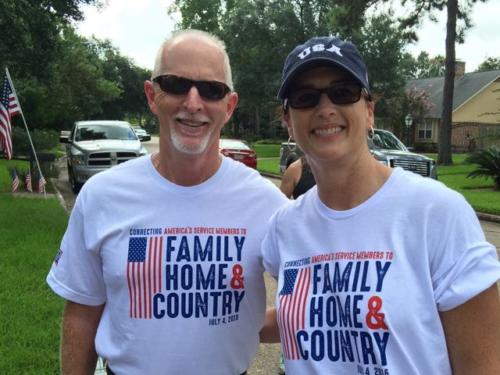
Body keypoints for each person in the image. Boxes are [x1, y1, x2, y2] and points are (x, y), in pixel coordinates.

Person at [46, 29, 288, 374]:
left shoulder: (265, 201)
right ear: (152, 94)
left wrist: (242, 324)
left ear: (229, 105)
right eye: (175, 84)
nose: (193, 103)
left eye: (211, 90)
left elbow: (312, 303)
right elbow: (82, 313)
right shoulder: (103, 195)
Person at [260, 36, 500, 374]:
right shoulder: (283, 228)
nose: (325, 107)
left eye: (343, 92)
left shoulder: (437, 213)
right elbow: (317, 317)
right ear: (288, 122)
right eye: (305, 98)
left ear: (369, 112)